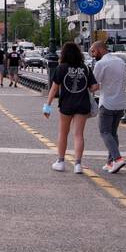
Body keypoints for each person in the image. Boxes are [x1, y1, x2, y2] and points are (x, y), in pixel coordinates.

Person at [44, 42, 97, 174]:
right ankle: (78, 164)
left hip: (66, 105)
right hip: (82, 104)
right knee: (78, 134)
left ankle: (61, 161)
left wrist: (47, 106)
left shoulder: (61, 68)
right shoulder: (85, 68)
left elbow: (54, 88)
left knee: (63, 133)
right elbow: (93, 87)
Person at [89, 40, 126, 174]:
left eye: (93, 51)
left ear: (99, 49)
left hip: (107, 104)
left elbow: (94, 85)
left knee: (104, 132)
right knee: (113, 133)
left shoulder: (101, 64)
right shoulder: (120, 62)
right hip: (121, 103)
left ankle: (117, 159)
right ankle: (110, 162)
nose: (93, 55)